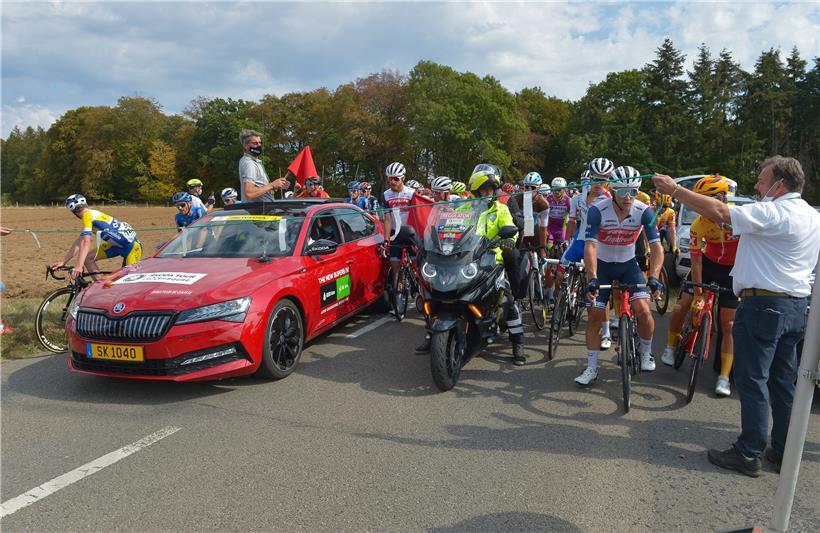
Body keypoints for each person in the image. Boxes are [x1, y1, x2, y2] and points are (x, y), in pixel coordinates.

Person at [654, 156, 820, 477]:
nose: (756, 188)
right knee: (783, 382)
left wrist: (676, 190)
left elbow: (718, 212)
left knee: (752, 378)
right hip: (796, 306)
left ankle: (749, 451)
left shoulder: (774, 212)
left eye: (761, 181)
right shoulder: (811, 216)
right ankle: (783, 451)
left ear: (779, 185)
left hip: (764, 306)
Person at [576, 166, 664, 386]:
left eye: (633, 192)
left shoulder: (645, 211)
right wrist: (592, 277)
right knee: (595, 315)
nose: (628, 197)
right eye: (623, 192)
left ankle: (645, 353)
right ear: (612, 190)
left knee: (644, 310)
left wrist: (653, 276)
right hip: (603, 267)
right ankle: (592, 367)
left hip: (628, 266)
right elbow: (590, 247)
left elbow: (656, 248)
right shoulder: (598, 210)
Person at [660, 175, 738, 397]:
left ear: (721, 198)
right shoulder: (698, 224)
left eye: (707, 200)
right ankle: (670, 346)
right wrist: (698, 291)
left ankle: (724, 377)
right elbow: (695, 260)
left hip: (732, 271)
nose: (701, 206)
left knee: (729, 324)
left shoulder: (738, 219)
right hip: (707, 265)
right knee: (681, 305)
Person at [468, 168, 526, 365]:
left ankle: (517, 342)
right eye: (484, 189)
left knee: (508, 301)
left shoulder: (500, 209)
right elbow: (449, 226)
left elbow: (511, 229)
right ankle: (434, 333)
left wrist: (509, 239)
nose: (489, 193)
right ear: (475, 191)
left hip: (494, 260)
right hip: (469, 259)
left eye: (492, 189)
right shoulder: (463, 209)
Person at [558, 159, 613, 349]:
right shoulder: (577, 198)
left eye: (603, 180)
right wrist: (568, 239)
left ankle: (605, 332)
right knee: (559, 270)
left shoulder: (609, 200)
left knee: (600, 290)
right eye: (596, 179)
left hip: (599, 245)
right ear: (590, 176)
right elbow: (572, 221)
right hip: (580, 241)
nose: (599, 184)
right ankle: (564, 301)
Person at [50, 194, 142, 280]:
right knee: (88, 258)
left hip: (132, 248)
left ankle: (105, 287)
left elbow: (87, 242)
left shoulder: (87, 216)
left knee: (128, 283)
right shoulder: (91, 214)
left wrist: (79, 266)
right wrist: (64, 261)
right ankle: (102, 286)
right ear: (86, 204)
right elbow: (80, 241)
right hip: (115, 246)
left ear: (74, 213)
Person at [238, 129, 290, 202]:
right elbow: (249, 193)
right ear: (246, 146)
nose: (259, 145)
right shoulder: (249, 163)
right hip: (259, 211)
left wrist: (276, 186)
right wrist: (272, 185)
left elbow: (259, 187)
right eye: (255, 143)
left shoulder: (251, 161)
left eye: (260, 143)